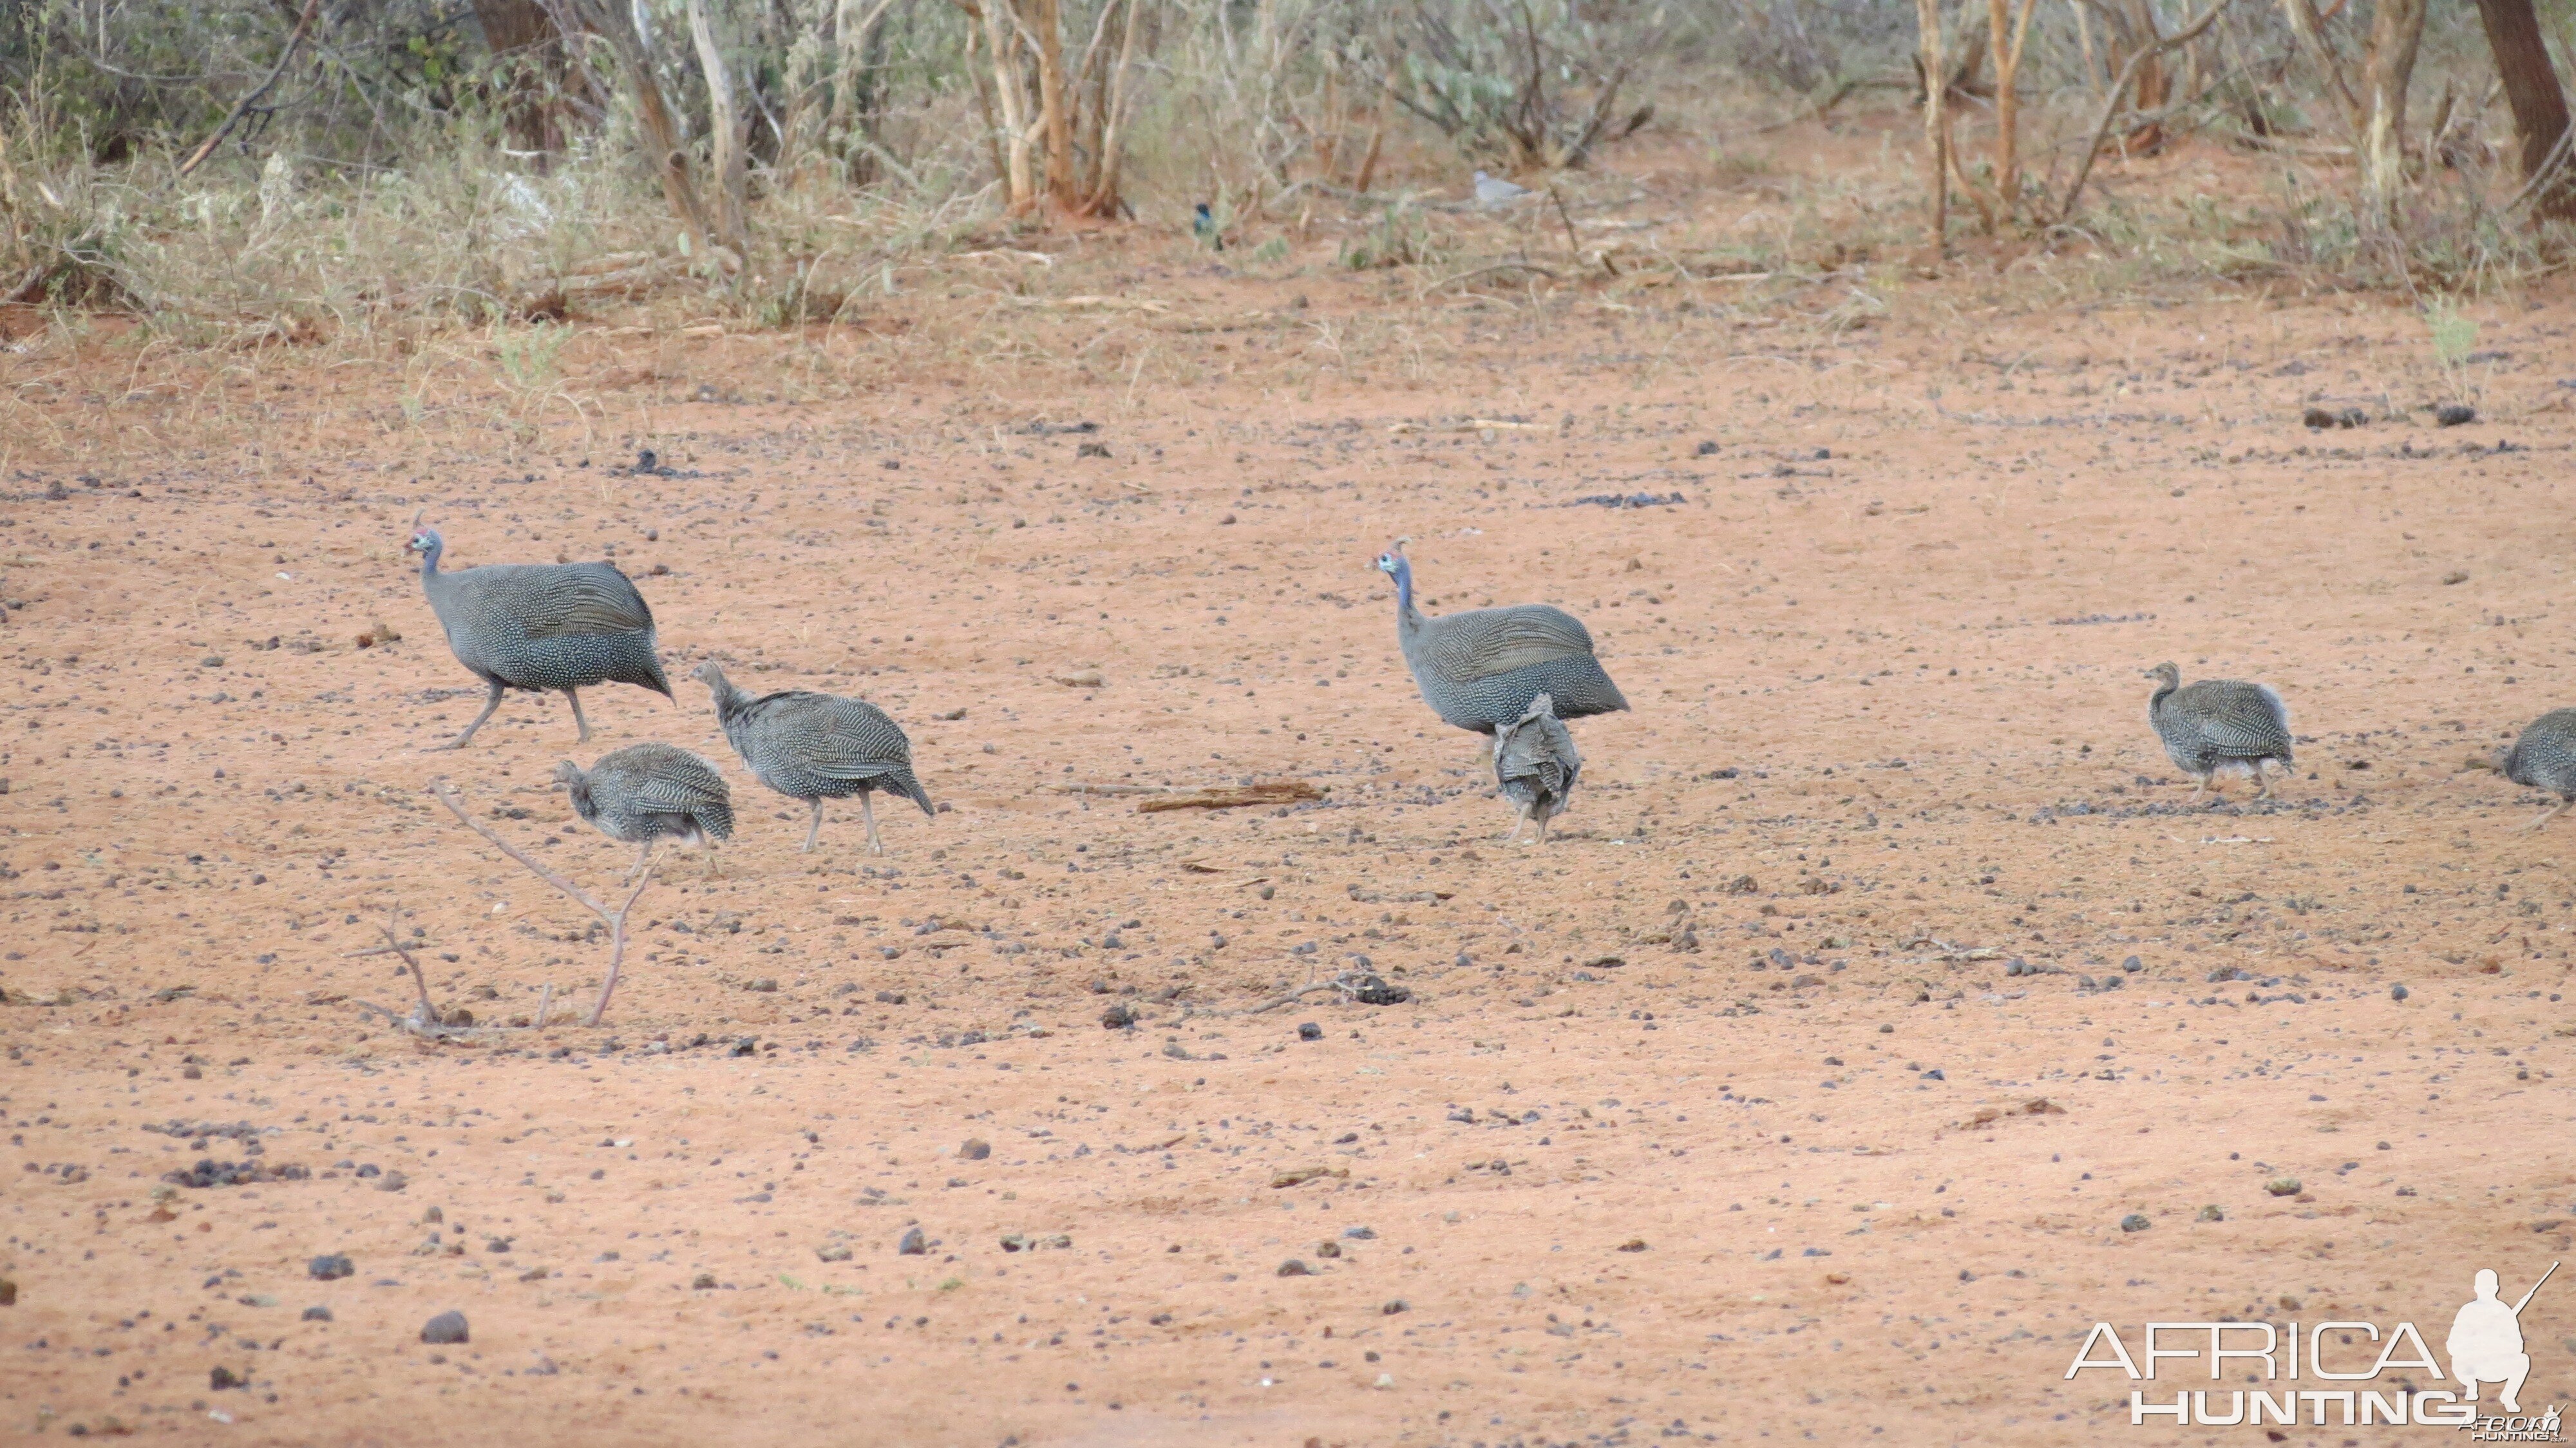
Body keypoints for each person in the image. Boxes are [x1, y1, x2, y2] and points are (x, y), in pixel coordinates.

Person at [2447, 1268, 2532, 1413]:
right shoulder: (2467, 1311)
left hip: (2497, 1366)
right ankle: (2471, 1386)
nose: (2487, 1291)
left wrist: (2498, 1344)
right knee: (2457, 1360)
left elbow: (2518, 1346)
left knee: (2523, 1360)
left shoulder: (2505, 1312)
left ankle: (2509, 1397)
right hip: (2472, 1367)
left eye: (2489, 1288)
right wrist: (2474, 1343)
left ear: (2497, 1289)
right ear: (2476, 1289)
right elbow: (2452, 1345)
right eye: (2483, 1288)